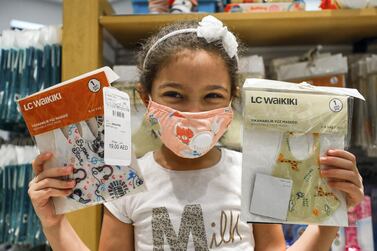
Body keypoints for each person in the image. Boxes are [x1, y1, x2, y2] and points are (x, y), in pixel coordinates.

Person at [28, 16, 364, 251]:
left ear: (232, 99)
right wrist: (54, 224)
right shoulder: (127, 182)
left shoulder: (253, 174)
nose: (193, 113)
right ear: (146, 99)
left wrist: (328, 220)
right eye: (174, 94)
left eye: (212, 96)